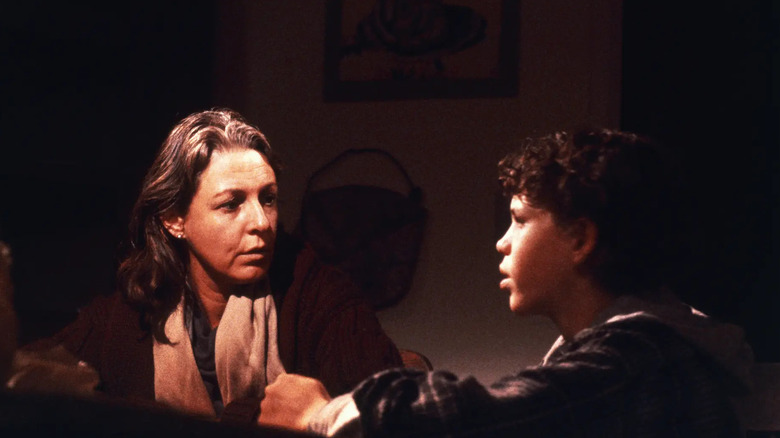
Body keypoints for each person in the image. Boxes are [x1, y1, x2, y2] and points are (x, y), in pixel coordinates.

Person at [257, 128, 754, 437]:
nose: (502, 242)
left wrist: (320, 415)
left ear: (580, 237)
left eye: (518, 218)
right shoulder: (642, 350)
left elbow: (481, 420)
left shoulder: (636, 358)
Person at [26, 109, 402, 423]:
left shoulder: (316, 293)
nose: (260, 222)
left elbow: (394, 413)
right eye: (231, 204)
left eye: (268, 199)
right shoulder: (129, 315)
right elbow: (26, 376)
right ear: (175, 220)